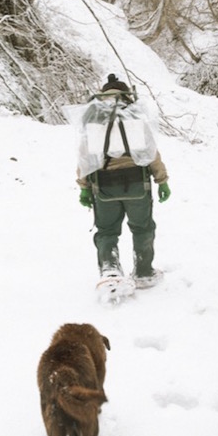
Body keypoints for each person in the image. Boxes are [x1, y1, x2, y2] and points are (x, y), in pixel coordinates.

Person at [76, 74, 170, 298]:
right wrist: (162, 180)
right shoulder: (134, 116)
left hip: (104, 186)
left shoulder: (94, 118)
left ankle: (110, 271)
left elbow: (85, 157)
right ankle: (144, 272)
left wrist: (84, 187)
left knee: (107, 230)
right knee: (143, 228)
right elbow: (150, 153)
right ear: (126, 94)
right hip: (137, 184)